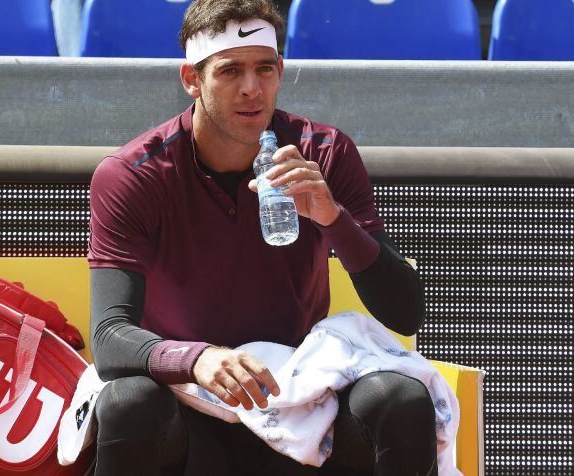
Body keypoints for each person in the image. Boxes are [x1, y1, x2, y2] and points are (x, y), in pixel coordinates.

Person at [86, 1, 434, 474]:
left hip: (298, 398)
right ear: (192, 79)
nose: (251, 89)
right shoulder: (133, 173)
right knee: (129, 401)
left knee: (400, 397)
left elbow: (405, 313)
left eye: (264, 69)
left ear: (280, 71)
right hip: (190, 408)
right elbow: (108, 338)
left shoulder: (323, 152)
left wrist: (333, 219)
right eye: (230, 71)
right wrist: (197, 359)